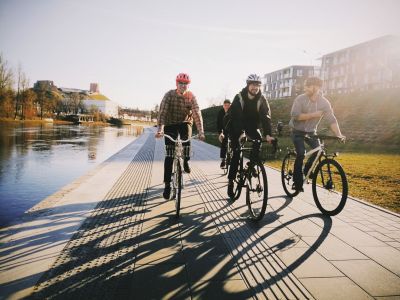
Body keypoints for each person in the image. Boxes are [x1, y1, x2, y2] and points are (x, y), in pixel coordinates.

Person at [289, 76, 345, 192]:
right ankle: (297, 182)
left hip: (311, 132)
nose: (305, 88)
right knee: (301, 153)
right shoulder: (300, 99)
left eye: (308, 86)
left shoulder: (324, 103)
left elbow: (332, 119)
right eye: (305, 86)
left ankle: (306, 171)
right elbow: (296, 116)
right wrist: (314, 115)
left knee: (319, 151)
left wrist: (339, 134)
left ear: (316, 87)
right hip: (297, 131)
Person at [155, 73, 205, 199]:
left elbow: (197, 114)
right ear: (176, 84)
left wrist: (201, 132)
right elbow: (162, 113)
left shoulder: (191, 96)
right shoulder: (169, 95)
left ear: (188, 85)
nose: (183, 86)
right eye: (180, 83)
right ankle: (167, 185)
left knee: (187, 142)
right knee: (170, 155)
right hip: (170, 123)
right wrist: (160, 129)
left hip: (185, 123)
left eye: (185, 84)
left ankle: (186, 160)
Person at [225, 74, 273, 198]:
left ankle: (252, 165)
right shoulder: (239, 97)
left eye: (257, 85)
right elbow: (236, 117)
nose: (255, 87)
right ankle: (231, 181)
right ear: (248, 85)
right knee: (237, 152)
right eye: (253, 85)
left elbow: (266, 117)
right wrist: (241, 132)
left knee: (258, 140)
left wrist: (268, 134)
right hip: (236, 125)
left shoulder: (261, 99)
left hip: (251, 125)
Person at [217, 99, 231, 168]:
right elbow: (218, 123)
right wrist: (220, 133)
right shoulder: (221, 112)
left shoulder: (232, 111)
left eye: (228, 105)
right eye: (225, 105)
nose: (227, 107)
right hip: (223, 130)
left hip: (231, 129)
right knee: (224, 142)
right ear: (223, 106)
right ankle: (223, 160)